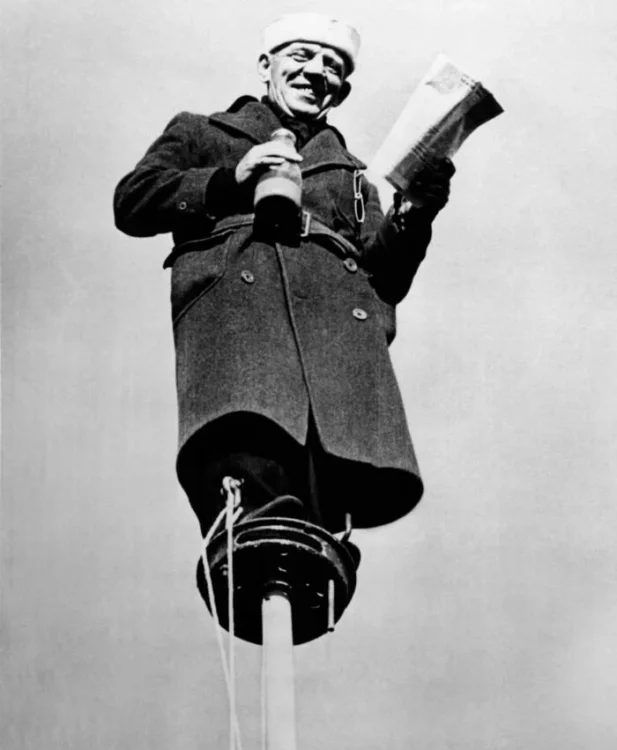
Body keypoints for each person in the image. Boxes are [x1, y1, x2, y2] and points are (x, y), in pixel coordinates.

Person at [113, 13, 454, 538]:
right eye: (302, 56)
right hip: (244, 327)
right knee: (250, 463)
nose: (317, 71)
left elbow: (387, 278)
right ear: (265, 65)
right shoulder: (201, 130)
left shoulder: (356, 176)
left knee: (323, 500)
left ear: (340, 91)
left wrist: (417, 212)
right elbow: (133, 202)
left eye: (333, 66)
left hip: (336, 348)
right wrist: (230, 181)